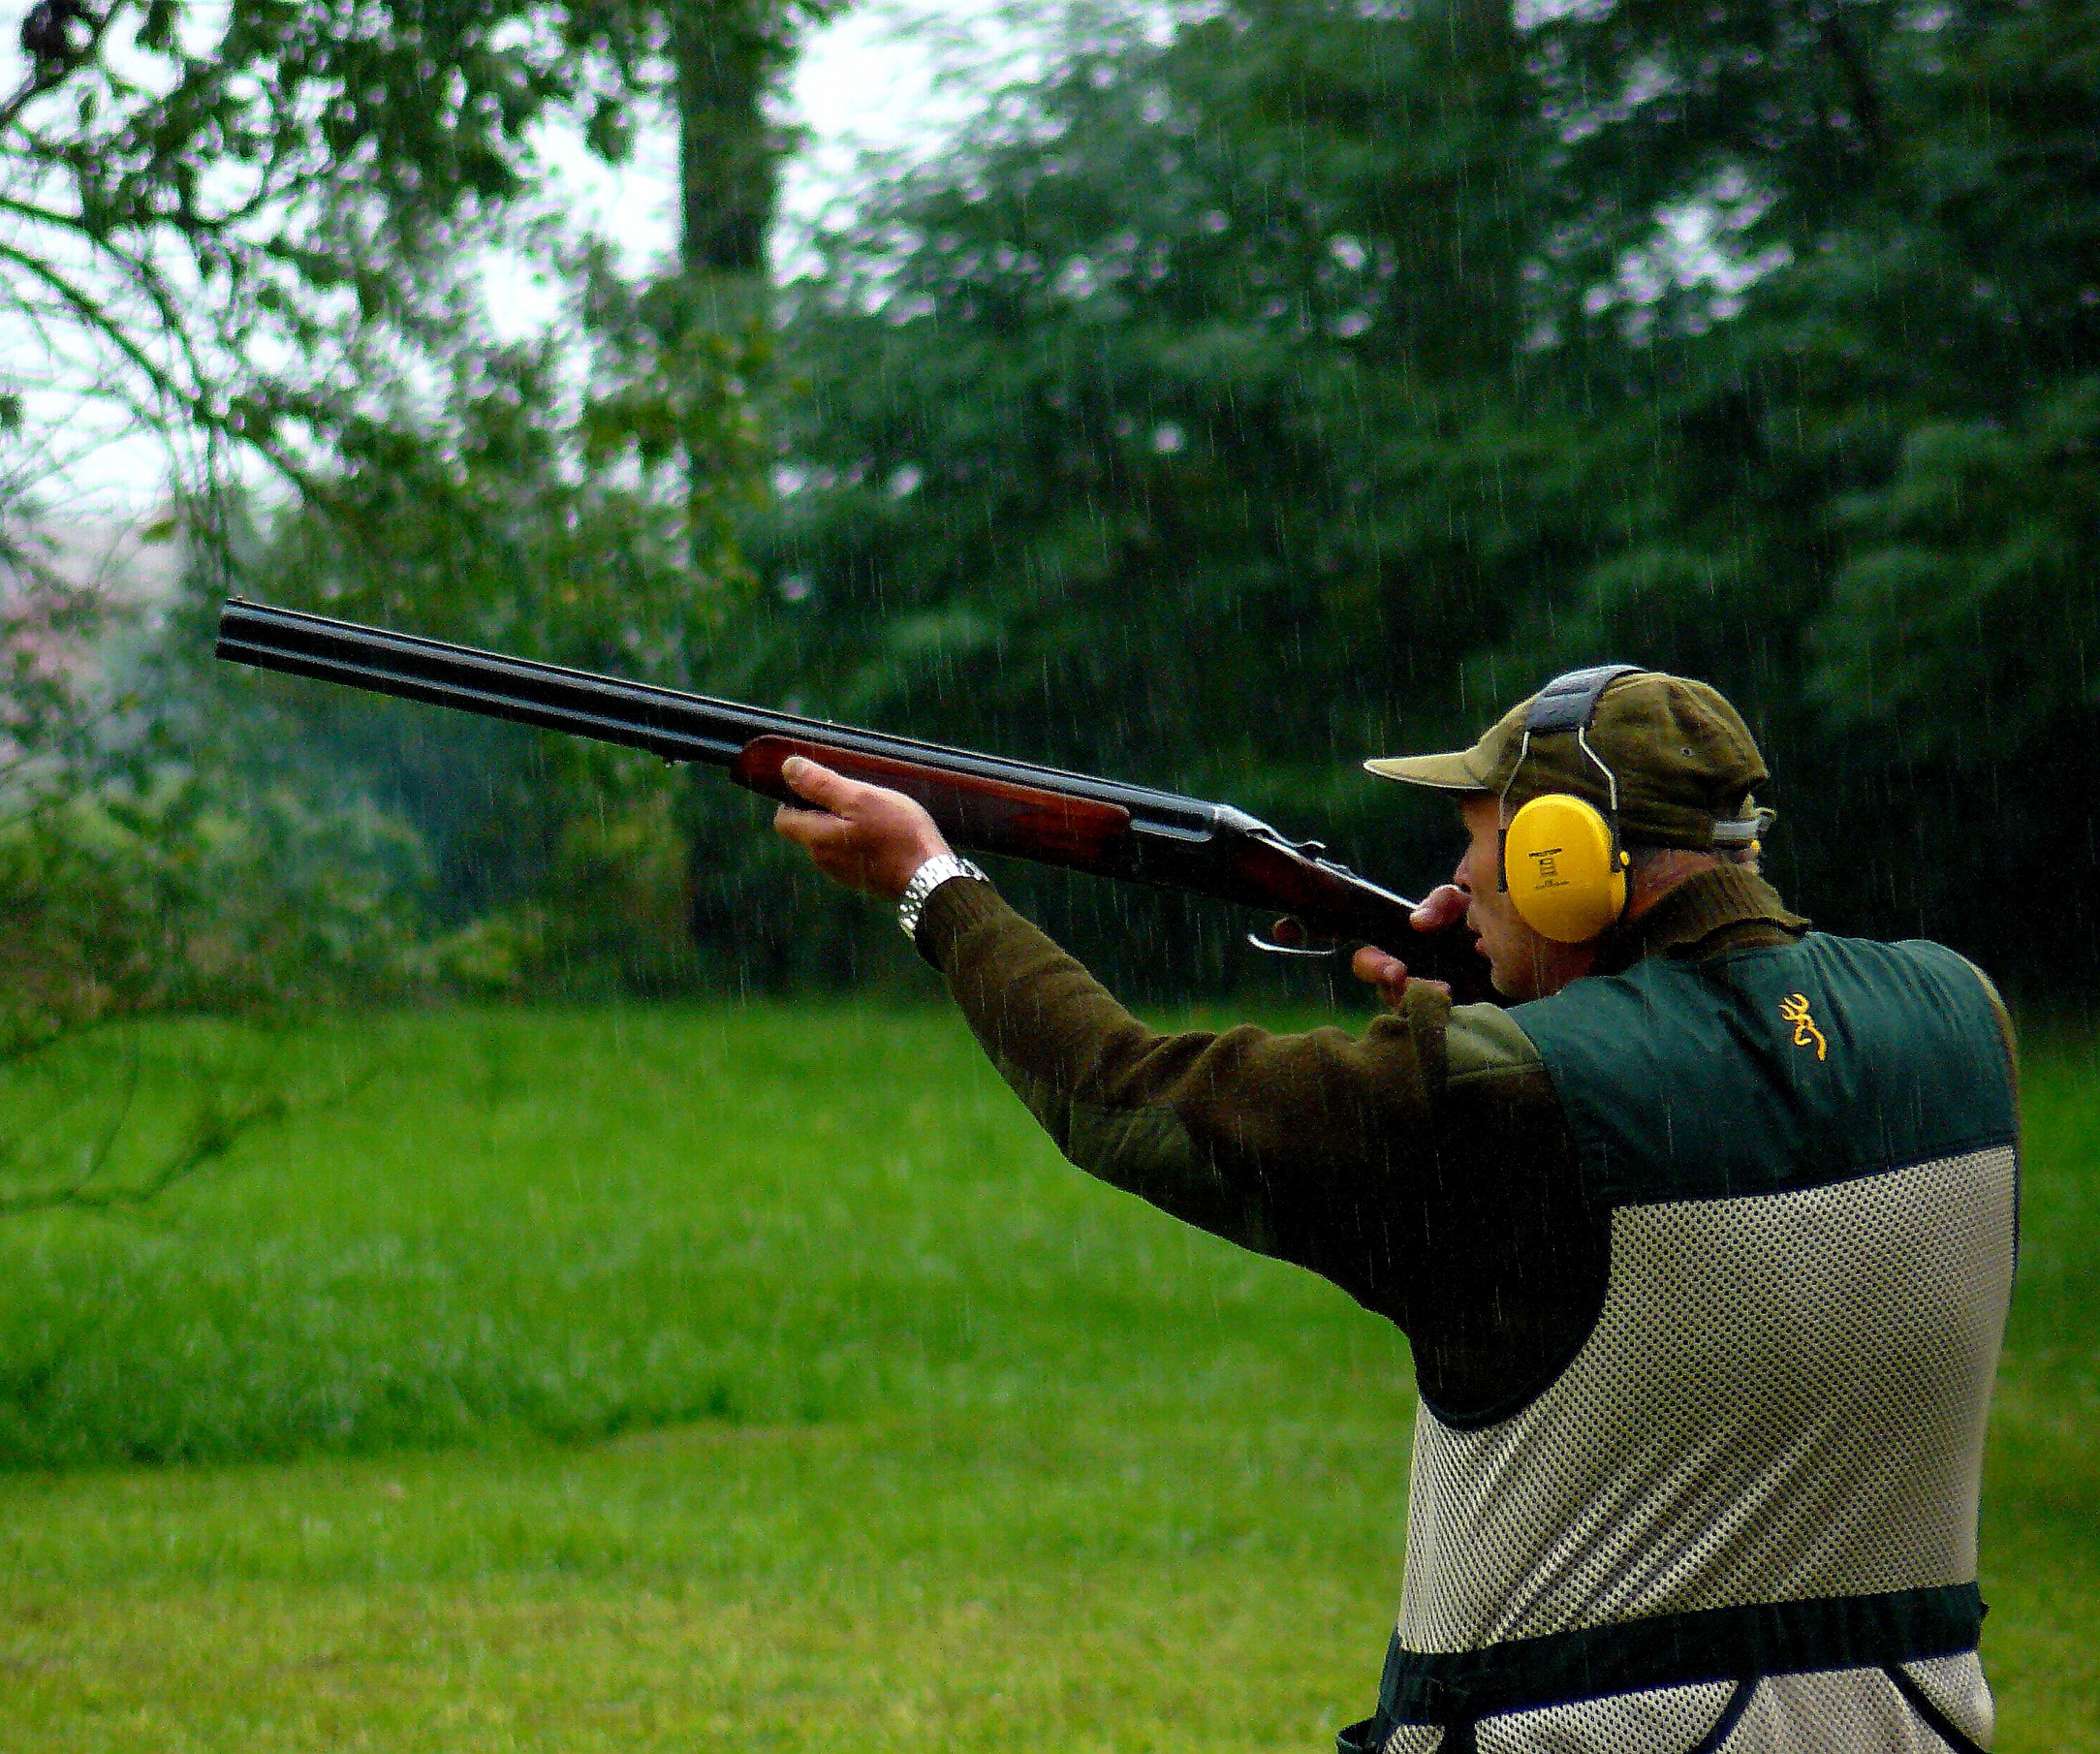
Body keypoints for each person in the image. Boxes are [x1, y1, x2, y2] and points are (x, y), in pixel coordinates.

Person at [770, 666, 2018, 1754]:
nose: (1457, 880)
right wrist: (1509, 1005)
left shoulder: (1495, 1097)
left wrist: (932, 884)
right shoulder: (1960, 1023)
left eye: (1479, 847)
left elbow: (1117, 1094)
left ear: (1565, 864)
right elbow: (1724, 1099)